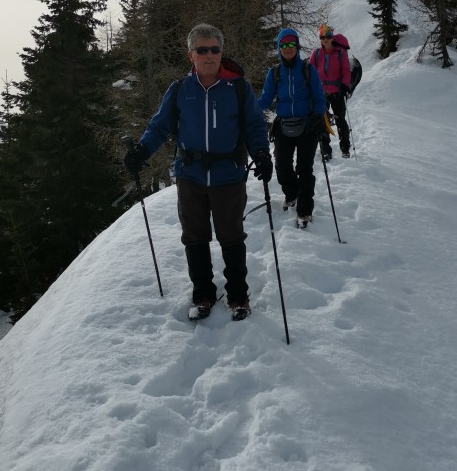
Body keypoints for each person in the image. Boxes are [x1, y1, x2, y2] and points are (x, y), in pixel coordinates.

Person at [123, 24, 272, 322]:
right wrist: (141, 151)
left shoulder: (238, 88)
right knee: (194, 236)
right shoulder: (180, 89)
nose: (209, 55)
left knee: (231, 236)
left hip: (228, 174)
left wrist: (261, 154)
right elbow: (159, 125)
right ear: (191, 55)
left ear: (221, 53)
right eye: (202, 50)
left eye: (214, 49)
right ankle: (203, 294)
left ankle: (238, 296)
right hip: (190, 175)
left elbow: (255, 126)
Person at [257, 27, 326, 229]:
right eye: (283, 45)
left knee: (304, 168)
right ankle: (291, 193)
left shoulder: (308, 69)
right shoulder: (275, 73)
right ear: (279, 48)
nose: (288, 48)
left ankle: (305, 209)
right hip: (283, 125)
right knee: (282, 166)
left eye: (291, 44)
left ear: (297, 46)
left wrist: (317, 116)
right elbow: (265, 99)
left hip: (307, 124)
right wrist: (247, 108)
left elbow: (319, 97)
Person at [309, 23, 352, 160]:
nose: (325, 39)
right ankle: (325, 150)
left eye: (328, 36)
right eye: (322, 37)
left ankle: (345, 148)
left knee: (340, 121)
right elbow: (309, 72)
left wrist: (345, 85)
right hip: (320, 94)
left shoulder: (340, 52)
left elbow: (346, 71)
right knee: (322, 122)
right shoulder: (315, 54)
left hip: (337, 92)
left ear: (332, 37)